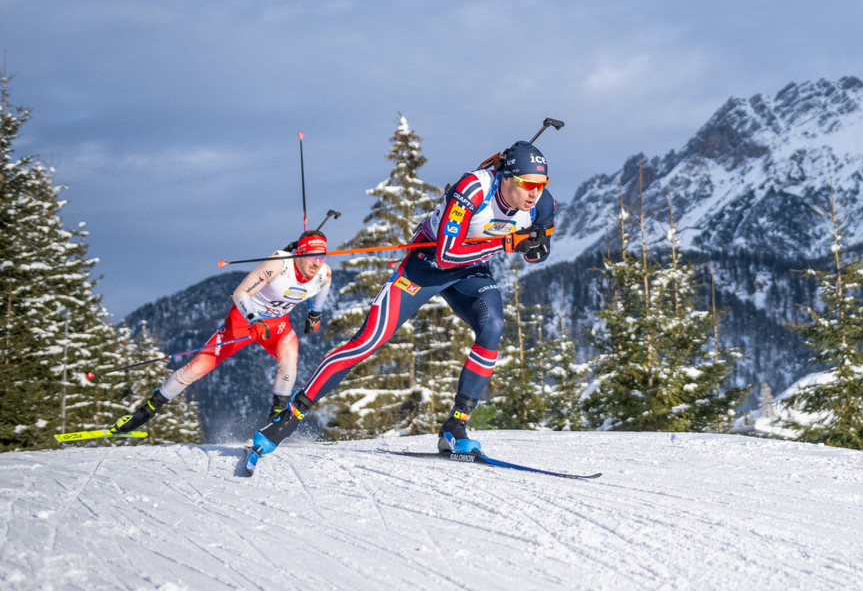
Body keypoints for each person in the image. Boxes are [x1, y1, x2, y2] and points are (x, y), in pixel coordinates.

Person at [249, 140, 554, 459]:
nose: (535, 193)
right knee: (366, 342)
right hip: (424, 266)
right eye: (527, 184)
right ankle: (288, 418)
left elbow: (539, 251)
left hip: (471, 272)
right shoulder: (473, 189)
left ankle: (455, 427)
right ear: (506, 177)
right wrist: (509, 244)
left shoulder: (541, 204)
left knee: (493, 326)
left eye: (540, 185)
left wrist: (532, 247)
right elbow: (447, 254)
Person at [112, 230, 332, 433]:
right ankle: (146, 412)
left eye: (322, 257)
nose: (317, 263)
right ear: (299, 254)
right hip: (243, 321)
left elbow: (322, 287)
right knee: (197, 367)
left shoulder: (324, 273)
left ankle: (276, 420)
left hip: (277, 325)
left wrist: (315, 313)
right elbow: (240, 293)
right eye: (313, 257)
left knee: (290, 358)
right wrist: (254, 319)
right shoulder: (278, 265)